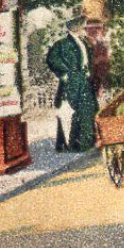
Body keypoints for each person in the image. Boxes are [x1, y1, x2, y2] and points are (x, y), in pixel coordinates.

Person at [48, 16, 99, 152]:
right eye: (83, 26)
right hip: (73, 82)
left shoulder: (84, 42)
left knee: (88, 110)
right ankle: (74, 145)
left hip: (84, 80)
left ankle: (86, 143)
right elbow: (52, 59)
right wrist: (64, 74)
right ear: (76, 27)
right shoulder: (63, 44)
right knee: (74, 113)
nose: (85, 29)